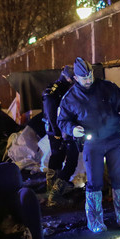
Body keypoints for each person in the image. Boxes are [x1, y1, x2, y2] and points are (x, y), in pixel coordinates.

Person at [57, 57, 120, 233]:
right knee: (94, 182)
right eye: (84, 77)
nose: (88, 80)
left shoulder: (107, 88)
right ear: (76, 78)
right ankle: (94, 221)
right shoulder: (70, 99)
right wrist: (72, 129)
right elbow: (62, 121)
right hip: (92, 144)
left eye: (90, 75)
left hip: (114, 139)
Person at [42, 65, 78, 207]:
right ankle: (53, 192)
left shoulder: (62, 88)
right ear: (68, 77)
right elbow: (51, 112)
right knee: (60, 156)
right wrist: (57, 132)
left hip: (61, 129)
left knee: (59, 156)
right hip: (58, 129)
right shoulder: (55, 90)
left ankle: (54, 188)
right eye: (73, 78)